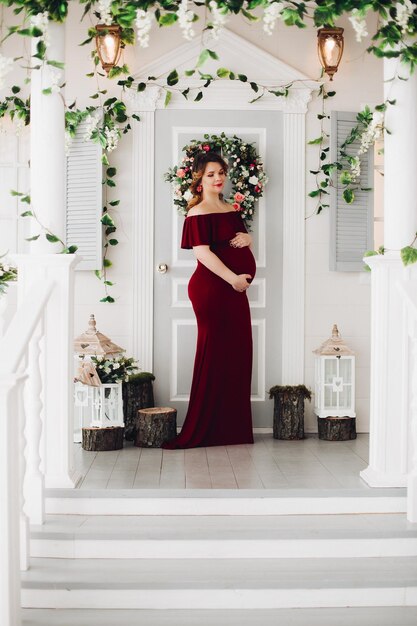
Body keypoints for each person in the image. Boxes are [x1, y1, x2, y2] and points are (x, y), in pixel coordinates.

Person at [162, 151, 256, 449]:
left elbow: (238, 239)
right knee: (214, 355)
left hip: (234, 289)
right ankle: (207, 429)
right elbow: (203, 254)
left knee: (238, 354)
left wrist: (250, 240)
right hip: (213, 291)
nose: (218, 178)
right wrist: (234, 280)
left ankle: (231, 430)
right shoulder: (197, 212)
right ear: (200, 179)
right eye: (211, 174)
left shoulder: (231, 208)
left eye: (221, 172)